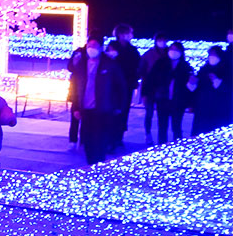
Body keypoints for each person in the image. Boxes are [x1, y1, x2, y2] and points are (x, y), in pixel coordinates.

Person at [68, 36, 127, 165]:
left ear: (100, 48)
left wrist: (118, 106)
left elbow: (120, 86)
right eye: (89, 46)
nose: (91, 49)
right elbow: (76, 86)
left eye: (94, 46)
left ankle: (99, 163)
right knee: (88, 139)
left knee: (101, 137)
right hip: (86, 108)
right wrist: (76, 107)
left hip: (103, 108)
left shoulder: (109, 64)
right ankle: (91, 164)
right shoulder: (82, 64)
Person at [146, 41, 194, 144]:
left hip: (178, 102)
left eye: (176, 49)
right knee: (162, 126)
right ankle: (161, 146)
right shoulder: (160, 63)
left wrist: (189, 102)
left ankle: (177, 147)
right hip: (162, 99)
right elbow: (151, 79)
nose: (173, 51)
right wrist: (150, 94)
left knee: (176, 126)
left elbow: (189, 87)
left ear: (181, 52)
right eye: (172, 49)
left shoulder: (185, 67)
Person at [110, 24, 140, 145]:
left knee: (124, 110)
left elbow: (137, 66)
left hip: (127, 85)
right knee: (112, 109)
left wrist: (135, 80)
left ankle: (119, 136)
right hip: (113, 85)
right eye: (129, 33)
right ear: (121, 34)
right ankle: (111, 136)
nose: (131, 36)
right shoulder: (112, 47)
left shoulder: (132, 50)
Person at [137, 33, 170, 142]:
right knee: (149, 112)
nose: (162, 42)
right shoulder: (148, 54)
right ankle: (148, 134)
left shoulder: (169, 54)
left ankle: (162, 138)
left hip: (163, 89)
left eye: (164, 40)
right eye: (160, 40)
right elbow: (141, 71)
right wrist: (144, 91)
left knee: (162, 115)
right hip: (149, 88)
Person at [192, 46, 231, 135]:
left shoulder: (227, 69)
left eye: (214, 54)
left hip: (219, 109)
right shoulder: (204, 69)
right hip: (203, 107)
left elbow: (228, 89)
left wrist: (217, 81)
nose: (211, 56)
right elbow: (197, 86)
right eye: (210, 54)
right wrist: (193, 82)